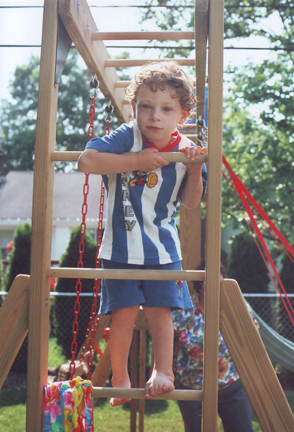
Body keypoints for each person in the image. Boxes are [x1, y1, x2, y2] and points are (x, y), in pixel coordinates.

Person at [78, 61, 208, 406]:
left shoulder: (187, 149)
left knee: (159, 311)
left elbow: (192, 203)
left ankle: (162, 371)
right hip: (119, 247)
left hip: (163, 249)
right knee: (121, 313)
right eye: (145, 107)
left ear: (182, 115)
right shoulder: (127, 136)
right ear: (135, 109)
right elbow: (86, 161)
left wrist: (195, 171)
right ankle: (120, 376)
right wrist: (136, 161)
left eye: (167, 109)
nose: (155, 116)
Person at [172, 261, 257, 432]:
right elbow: (166, 343)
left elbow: (253, 339)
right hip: (192, 387)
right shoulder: (183, 310)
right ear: (200, 285)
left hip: (231, 384)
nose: (214, 287)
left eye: (219, 282)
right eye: (209, 283)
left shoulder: (235, 306)